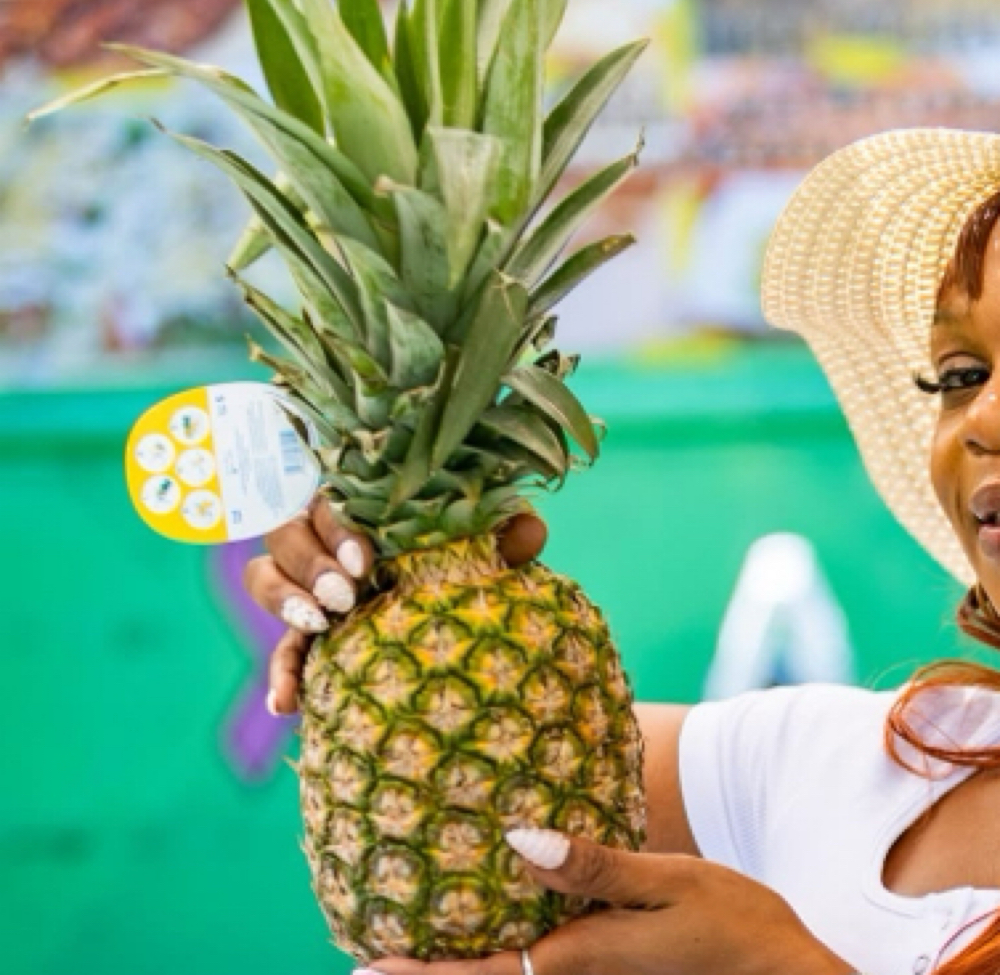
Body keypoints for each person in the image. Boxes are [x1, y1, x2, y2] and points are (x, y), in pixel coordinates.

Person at [243, 127, 1000, 975]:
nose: (983, 419)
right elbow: (487, 785)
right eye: (961, 374)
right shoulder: (861, 765)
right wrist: (395, 611)